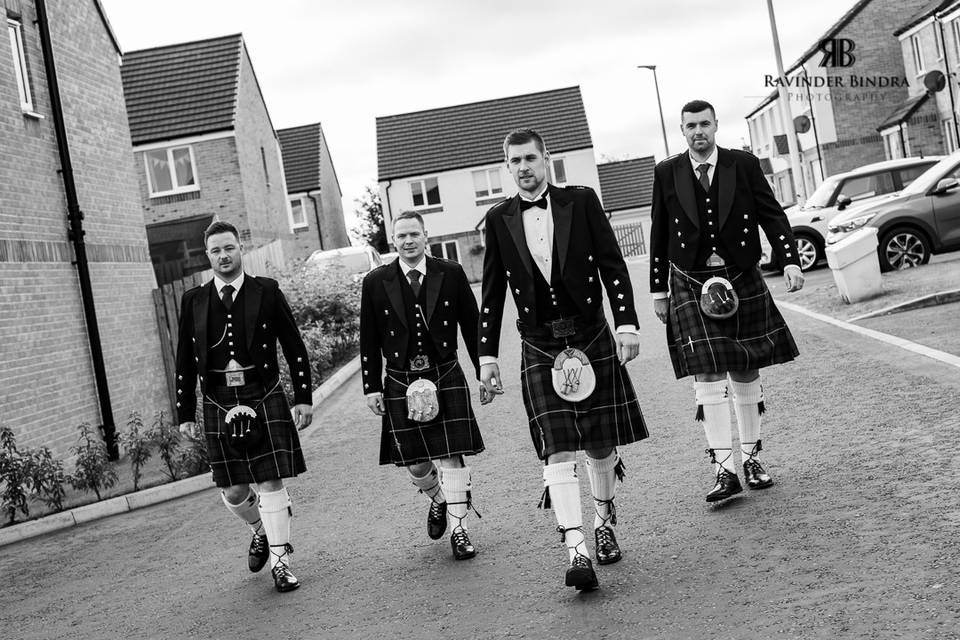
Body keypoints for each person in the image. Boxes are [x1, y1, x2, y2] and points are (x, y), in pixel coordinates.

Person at [479, 129, 648, 591]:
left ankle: (603, 519)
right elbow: (492, 292)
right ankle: (575, 547)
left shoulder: (582, 200)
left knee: (597, 442)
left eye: (530, 158)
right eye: (514, 161)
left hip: (590, 332)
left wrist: (628, 324)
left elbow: (612, 265)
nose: (523, 167)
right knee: (556, 443)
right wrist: (487, 356)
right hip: (537, 342)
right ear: (506, 167)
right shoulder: (497, 218)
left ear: (546, 159)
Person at [649, 99, 804, 503]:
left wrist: (789, 259)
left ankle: (751, 459)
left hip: (740, 273)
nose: (698, 131)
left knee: (746, 369)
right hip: (689, 278)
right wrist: (657, 290)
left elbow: (772, 213)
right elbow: (660, 232)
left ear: (716, 125)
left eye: (704, 124)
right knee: (707, 374)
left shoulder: (743, 164)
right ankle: (724, 470)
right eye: (690, 126)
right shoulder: (667, 172)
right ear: (682, 131)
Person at [176, 220, 313, 593]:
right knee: (234, 490)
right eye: (216, 250)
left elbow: (294, 346)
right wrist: (184, 411)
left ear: (241, 249)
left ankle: (282, 563)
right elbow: (185, 360)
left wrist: (303, 396)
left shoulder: (265, 291)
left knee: (271, 480)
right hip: (219, 400)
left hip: (263, 393)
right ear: (208, 256)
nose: (223, 256)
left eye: (229, 248)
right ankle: (260, 530)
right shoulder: (194, 300)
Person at [360, 210, 487, 560]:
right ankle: (440, 499)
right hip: (400, 378)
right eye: (401, 236)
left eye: (414, 234)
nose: (408, 241)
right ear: (393, 240)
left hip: (444, 371)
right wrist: (371, 386)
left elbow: (472, 326)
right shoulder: (376, 282)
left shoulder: (451, 273)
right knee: (415, 463)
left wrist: (483, 371)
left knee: (451, 455)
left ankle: (460, 530)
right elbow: (368, 339)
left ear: (425, 236)